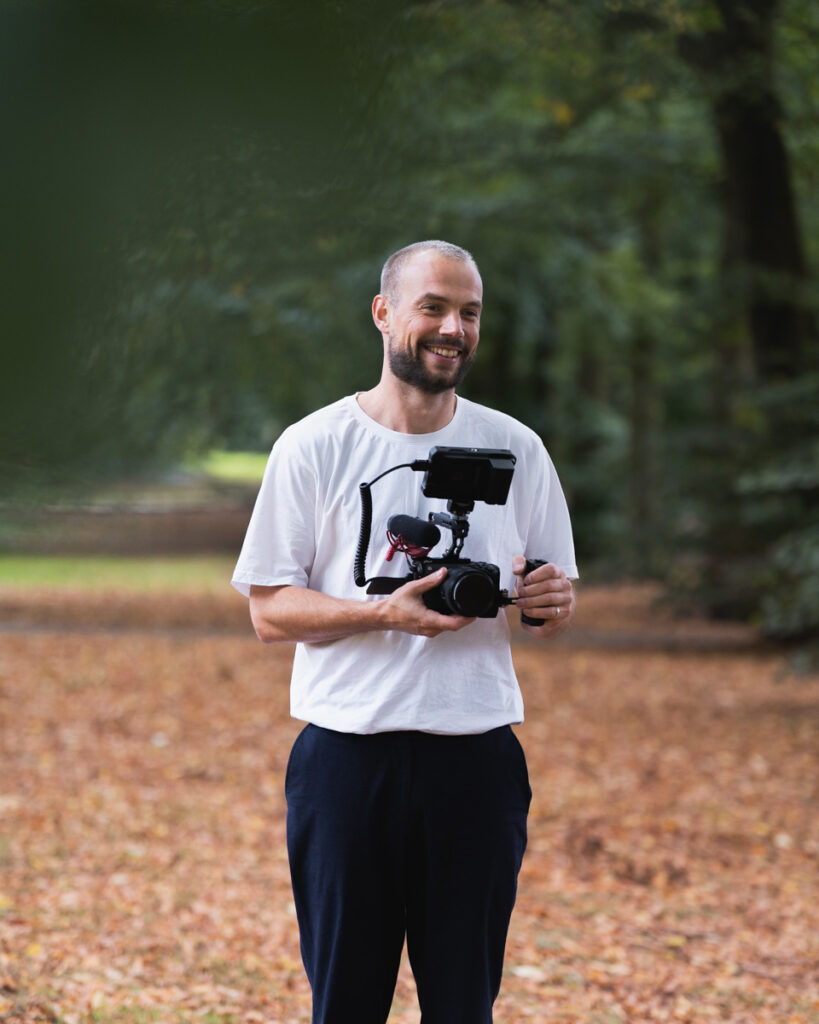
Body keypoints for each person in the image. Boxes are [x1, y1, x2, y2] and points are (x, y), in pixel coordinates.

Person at [232, 240, 578, 1024]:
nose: (453, 327)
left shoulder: (517, 448)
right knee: (346, 1004)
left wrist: (552, 601)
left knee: (463, 1007)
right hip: (347, 760)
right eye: (434, 307)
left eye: (469, 312)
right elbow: (268, 611)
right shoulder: (313, 444)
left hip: (478, 761)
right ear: (385, 314)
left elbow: (550, 602)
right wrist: (384, 611)